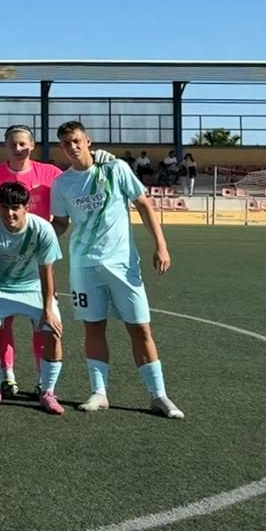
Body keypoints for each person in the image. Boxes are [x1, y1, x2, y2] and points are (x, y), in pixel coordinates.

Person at [51, 121, 183, 418]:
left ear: (88, 141)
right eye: (66, 143)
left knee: (140, 328)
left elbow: (143, 204)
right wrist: (40, 236)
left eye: (76, 140)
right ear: (61, 148)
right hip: (84, 266)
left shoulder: (115, 169)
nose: (72, 147)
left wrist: (161, 245)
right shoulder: (62, 184)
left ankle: (158, 395)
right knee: (93, 327)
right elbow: (60, 223)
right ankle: (99, 393)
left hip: (123, 265)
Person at [0, 126, 63, 396]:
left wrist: (43, 238)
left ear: (32, 145)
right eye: (13, 143)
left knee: (44, 325)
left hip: (35, 260)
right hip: (2, 256)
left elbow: (71, 192)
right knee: (2, 324)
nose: (18, 148)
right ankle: (7, 376)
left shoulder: (51, 173)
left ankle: (42, 381)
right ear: (5, 145)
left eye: (23, 143)